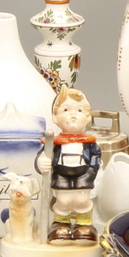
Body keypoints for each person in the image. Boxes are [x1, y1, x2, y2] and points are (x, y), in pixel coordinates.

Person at [36, 87, 99, 244]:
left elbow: (96, 158)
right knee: (63, 200)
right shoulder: (53, 142)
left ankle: (84, 225)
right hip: (61, 173)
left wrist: (91, 171)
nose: (73, 115)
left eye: (79, 110)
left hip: (84, 173)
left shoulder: (89, 143)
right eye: (65, 110)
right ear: (55, 117)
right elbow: (44, 155)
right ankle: (60, 224)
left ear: (88, 117)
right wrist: (42, 161)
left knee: (82, 199)